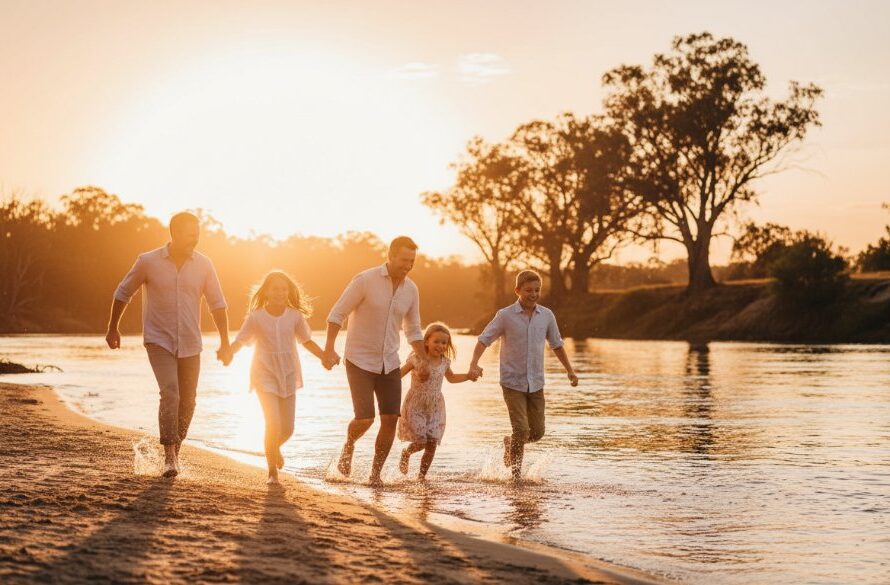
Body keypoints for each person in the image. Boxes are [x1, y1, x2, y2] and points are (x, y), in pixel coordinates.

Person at [106, 212, 230, 478]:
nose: (194, 239)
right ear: (174, 233)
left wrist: (225, 342)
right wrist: (113, 327)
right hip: (158, 340)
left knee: (189, 401)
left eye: (197, 234)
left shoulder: (205, 265)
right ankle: (169, 456)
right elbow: (122, 293)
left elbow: (217, 304)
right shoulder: (148, 261)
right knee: (171, 393)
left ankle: (176, 447)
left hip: (190, 343)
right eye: (189, 234)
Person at [323, 236, 429, 485]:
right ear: (390, 256)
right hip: (359, 359)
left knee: (391, 418)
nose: (408, 265)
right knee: (365, 418)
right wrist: (329, 349)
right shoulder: (365, 280)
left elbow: (413, 329)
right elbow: (336, 314)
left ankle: (375, 475)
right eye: (404, 260)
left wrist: (424, 359)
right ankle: (349, 444)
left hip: (389, 362)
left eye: (412, 261)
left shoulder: (411, 290)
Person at [469, 270, 578, 480]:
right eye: (528, 290)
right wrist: (474, 363)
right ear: (517, 290)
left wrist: (570, 371)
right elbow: (484, 339)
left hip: (536, 383)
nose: (533, 294)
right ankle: (515, 477)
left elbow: (557, 344)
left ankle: (510, 444)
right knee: (521, 429)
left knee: (537, 432)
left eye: (537, 290)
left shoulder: (547, 316)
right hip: (512, 382)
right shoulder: (505, 315)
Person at [222, 271, 325, 485]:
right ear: (266, 291)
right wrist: (229, 351)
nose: (279, 292)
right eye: (275, 288)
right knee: (273, 422)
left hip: (288, 373)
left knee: (287, 428)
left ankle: (274, 448)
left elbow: (306, 341)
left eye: (283, 289)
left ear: (288, 292)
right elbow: (241, 340)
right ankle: (271, 472)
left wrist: (324, 355)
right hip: (263, 373)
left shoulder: (295, 316)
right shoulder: (256, 316)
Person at [397, 322, 476, 480]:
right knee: (421, 441)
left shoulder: (445, 362)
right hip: (416, 405)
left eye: (444, 342)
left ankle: (421, 477)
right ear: (426, 341)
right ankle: (406, 453)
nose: (440, 345)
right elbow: (398, 375)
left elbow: (452, 379)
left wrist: (468, 376)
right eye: (436, 341)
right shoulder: (416, 359)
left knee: (432, 443)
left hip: (436, 406)